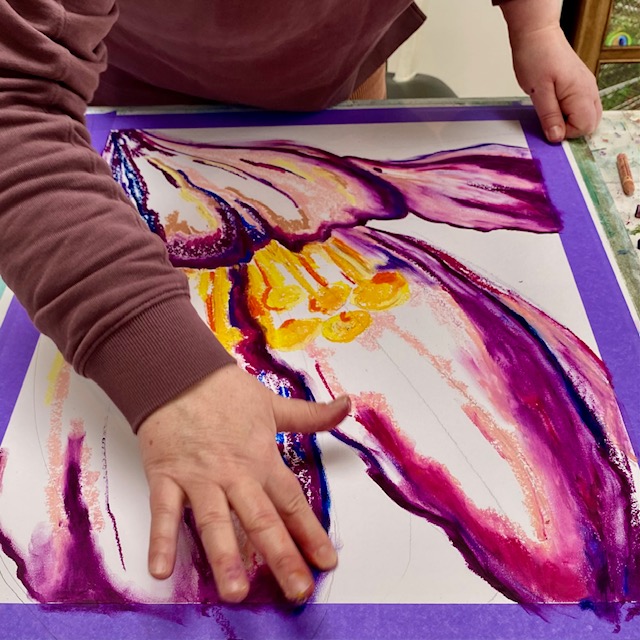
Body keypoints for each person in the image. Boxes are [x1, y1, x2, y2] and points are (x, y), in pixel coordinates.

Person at [0, 0, 601, 605]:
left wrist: (534, 25)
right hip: (140, 96)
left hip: (335, 84)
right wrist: (161, 365)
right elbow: (13, 109)